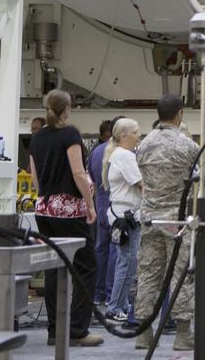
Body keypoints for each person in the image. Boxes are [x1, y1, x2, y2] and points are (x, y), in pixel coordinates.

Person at [27, 90, 103, 348]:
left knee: (53, 267)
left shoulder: (36, 139)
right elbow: (79, 173)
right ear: (67, 109)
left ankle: (54, 330)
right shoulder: (70, 134)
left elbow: (35, 179)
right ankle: (77, 330)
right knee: (86, 267)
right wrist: (90, 205)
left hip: (44, 208)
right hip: (69, 209)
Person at [134, 95, 198, 352]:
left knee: (148, 274)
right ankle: (182, 335)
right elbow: (197, 175)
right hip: (177, 221)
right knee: (181, 274)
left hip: (149, 217)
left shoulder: (144, 144)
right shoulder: (187, 145)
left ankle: (143, 334)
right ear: (180, 113)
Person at [103, 118, 143, 323]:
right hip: (126, 218)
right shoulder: (125, 156)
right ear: (124, 136)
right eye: (135, 132)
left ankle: (121, 303)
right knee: (127, 263)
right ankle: (115, 306)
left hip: (121, 215)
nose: (139, 135)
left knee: (125, 261)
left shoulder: (119, 155)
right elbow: (141, 184)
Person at [87, 119, 115, 306]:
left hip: (100, 202)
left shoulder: (95, 152)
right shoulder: (119, 153)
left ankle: (98, 294)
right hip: (116, 205)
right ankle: (113, 294)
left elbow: (90, 178)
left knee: (101, 248)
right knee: (117, 250)